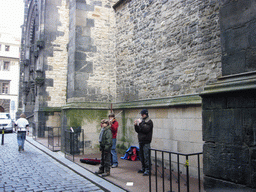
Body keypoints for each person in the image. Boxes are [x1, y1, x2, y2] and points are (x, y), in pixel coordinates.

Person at [134, 109, 153, 176]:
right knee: (141, 156)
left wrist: (141, 123)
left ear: (146, 114)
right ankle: (143, 168)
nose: (142, 116)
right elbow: (138, 130)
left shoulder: (149, 122)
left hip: (146, 141)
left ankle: (148, 170)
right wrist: (136, 125)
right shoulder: (142, 122)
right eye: (141, 114)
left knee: (146, 156)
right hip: (141, 141)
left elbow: (146, 129)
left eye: (143, 114)